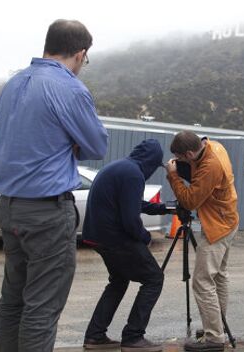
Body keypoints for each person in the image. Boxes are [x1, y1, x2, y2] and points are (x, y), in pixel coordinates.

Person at [0, 19, 109, 352]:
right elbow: (97, 147)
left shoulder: (13, 84)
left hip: (9, 207)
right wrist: (69, 143)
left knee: (12, 301)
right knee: (41, 309)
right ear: (81, 53)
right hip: (46, 212)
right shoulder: (69, 88)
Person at [81, 139, 168, 352]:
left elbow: (132, 203)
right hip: (115, 238)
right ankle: (133, 337)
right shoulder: (133, 174)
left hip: (97, 236)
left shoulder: (120, 167)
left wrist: (164, 208)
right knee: (154, 278)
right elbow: (130, 220)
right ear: (151, 162)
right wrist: (145, 237)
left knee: (118, 281)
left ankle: (95, 336)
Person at [165, 131, 239, 352]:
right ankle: (215, 326)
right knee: (219, 278)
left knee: (202, 281)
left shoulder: (210, 167)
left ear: (189, 153)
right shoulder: (214, 145)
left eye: (181, 158)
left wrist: (173, 176)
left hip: (217, 227)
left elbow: (189, 201)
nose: (179, 162)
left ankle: (214, 339)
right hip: (229, 219)